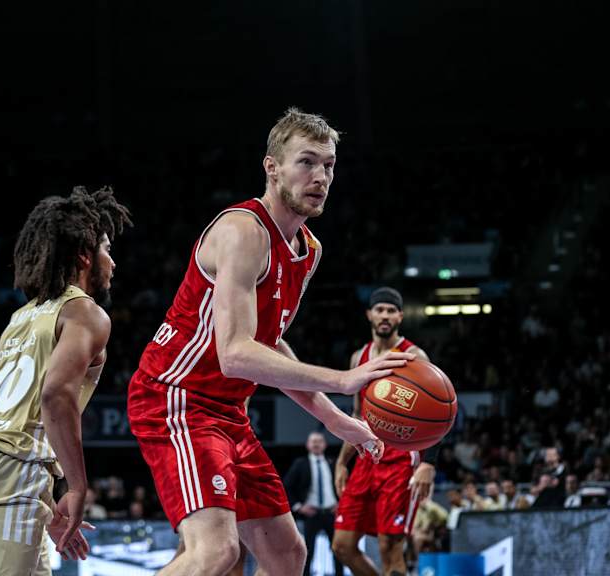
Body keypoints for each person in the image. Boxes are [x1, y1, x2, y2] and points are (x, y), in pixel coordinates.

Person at [127, 108, 412, 576]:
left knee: (287, 555)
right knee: (217, 552)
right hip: (175, 397)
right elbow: (236, 354)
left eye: (329, 164)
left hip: (228, 412)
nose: (320, 176)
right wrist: (342, 380)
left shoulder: (309, 250)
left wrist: (337, 420)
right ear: (272, 167)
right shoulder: (242, 231)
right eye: (306, 162)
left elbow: (270, 345)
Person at [0, 187, 132, 575]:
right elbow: (55, 397)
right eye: (106, 249)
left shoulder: (24, 315)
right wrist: (79, 488)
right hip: (12, 473)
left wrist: (44, 504)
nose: (113, 263)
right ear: (85, 255)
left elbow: (23, 414)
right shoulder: (86, 313)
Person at [332, 287, 435, 576]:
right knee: (342, 546)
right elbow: (357, 415)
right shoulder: (358, 357)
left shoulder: (414, 356)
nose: (385, 315)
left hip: (401, 460)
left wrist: (429, 462)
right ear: (370, 315)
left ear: (401, 316)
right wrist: (342, 461)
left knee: (390, 547)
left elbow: (439, 413)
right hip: (367, 457)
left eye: (391, 310)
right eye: (380, 310)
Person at [284, 431, 344, 576]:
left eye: (319, 441)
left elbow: (345, 485)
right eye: (313, 441)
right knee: (307, 551)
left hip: (331, 512)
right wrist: (299, 506)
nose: (316, 444)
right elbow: (286, 486)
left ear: (324, 445)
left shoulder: (334, 463)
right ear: (308, 445)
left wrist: (341, 504)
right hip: (312, 514)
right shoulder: (300, 464)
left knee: (339, 551)